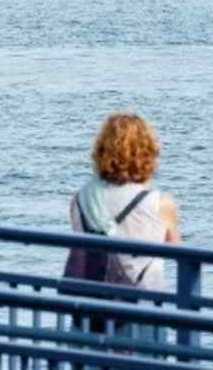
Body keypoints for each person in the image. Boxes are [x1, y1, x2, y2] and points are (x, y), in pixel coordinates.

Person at [65, 113, 180, 291]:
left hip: (89, 306)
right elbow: (180, 255)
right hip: (142, 307)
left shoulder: (80, 199)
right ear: (147, 152)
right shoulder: (159, 203)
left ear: (101, 151)